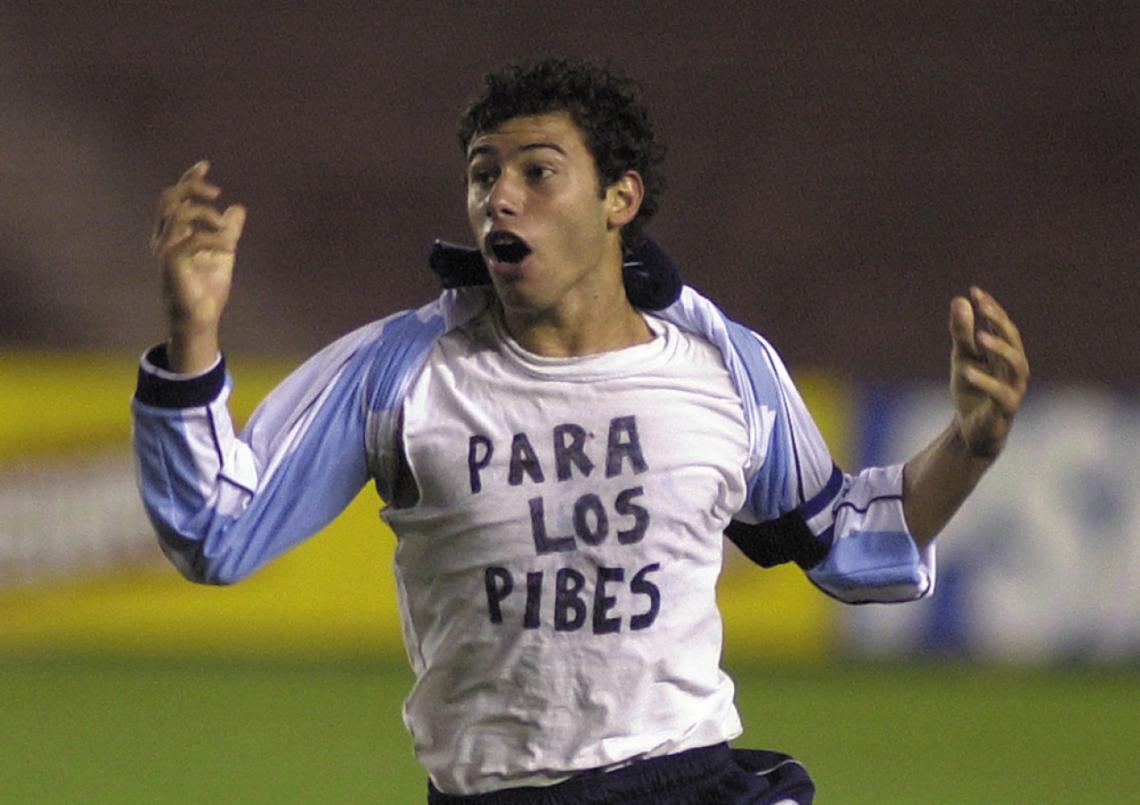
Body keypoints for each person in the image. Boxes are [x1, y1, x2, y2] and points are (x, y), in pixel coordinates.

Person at [133, 60, 1029, 804]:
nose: (500, 199)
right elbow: (219, 531)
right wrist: (193, 335)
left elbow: (848, 540)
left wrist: (972, 444)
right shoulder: (401, 373)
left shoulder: (722, 367)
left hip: (688, 780)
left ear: (619, 197)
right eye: (484, 174)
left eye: (537, 171)